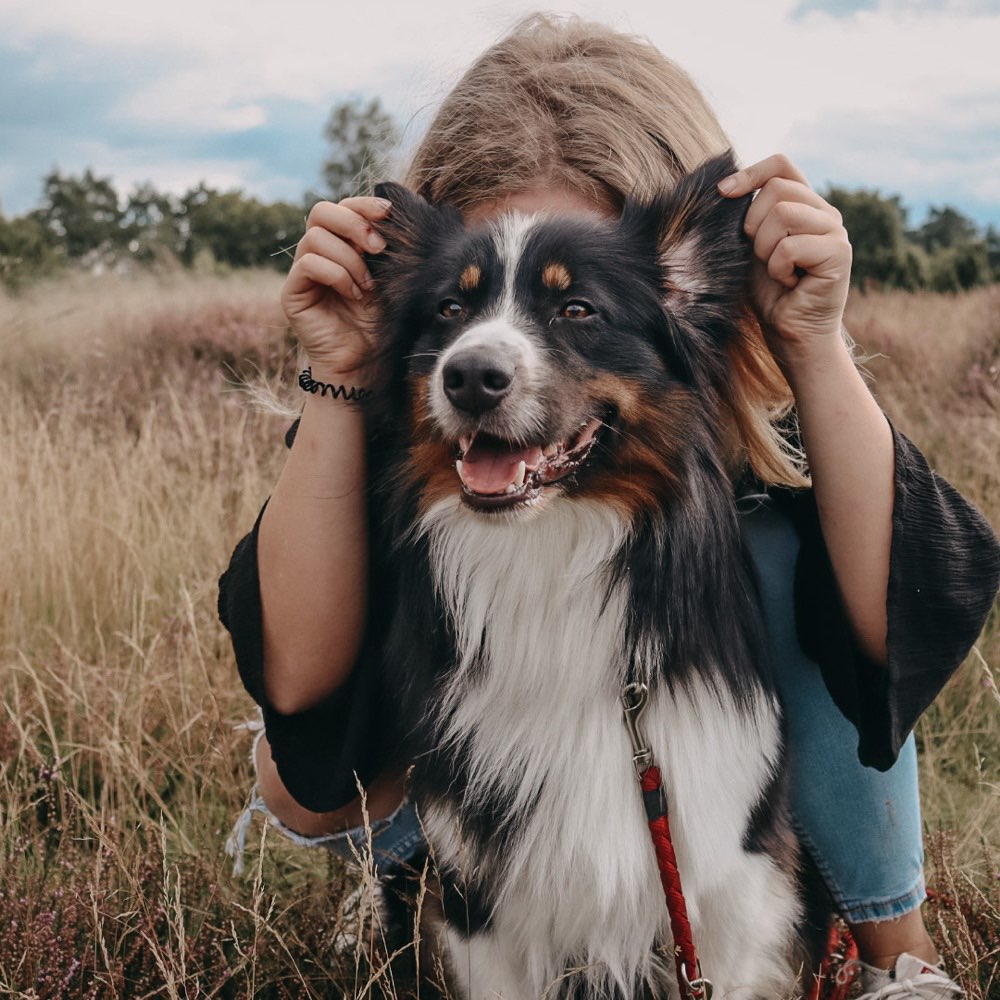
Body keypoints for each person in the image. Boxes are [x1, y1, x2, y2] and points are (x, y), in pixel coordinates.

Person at [219, 15, 999, 1000]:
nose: (491, 351)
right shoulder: (415, 410)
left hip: (705, 778)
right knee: (324, 738)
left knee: (777, 548)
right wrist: (334, 375)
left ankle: (895, 961)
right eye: (465, 299)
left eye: (574, 301)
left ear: (686, 283)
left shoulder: (726, 412)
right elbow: (297, 686)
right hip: (469, 789)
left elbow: (905, 612)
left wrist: (813, 342)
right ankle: (448, 912)